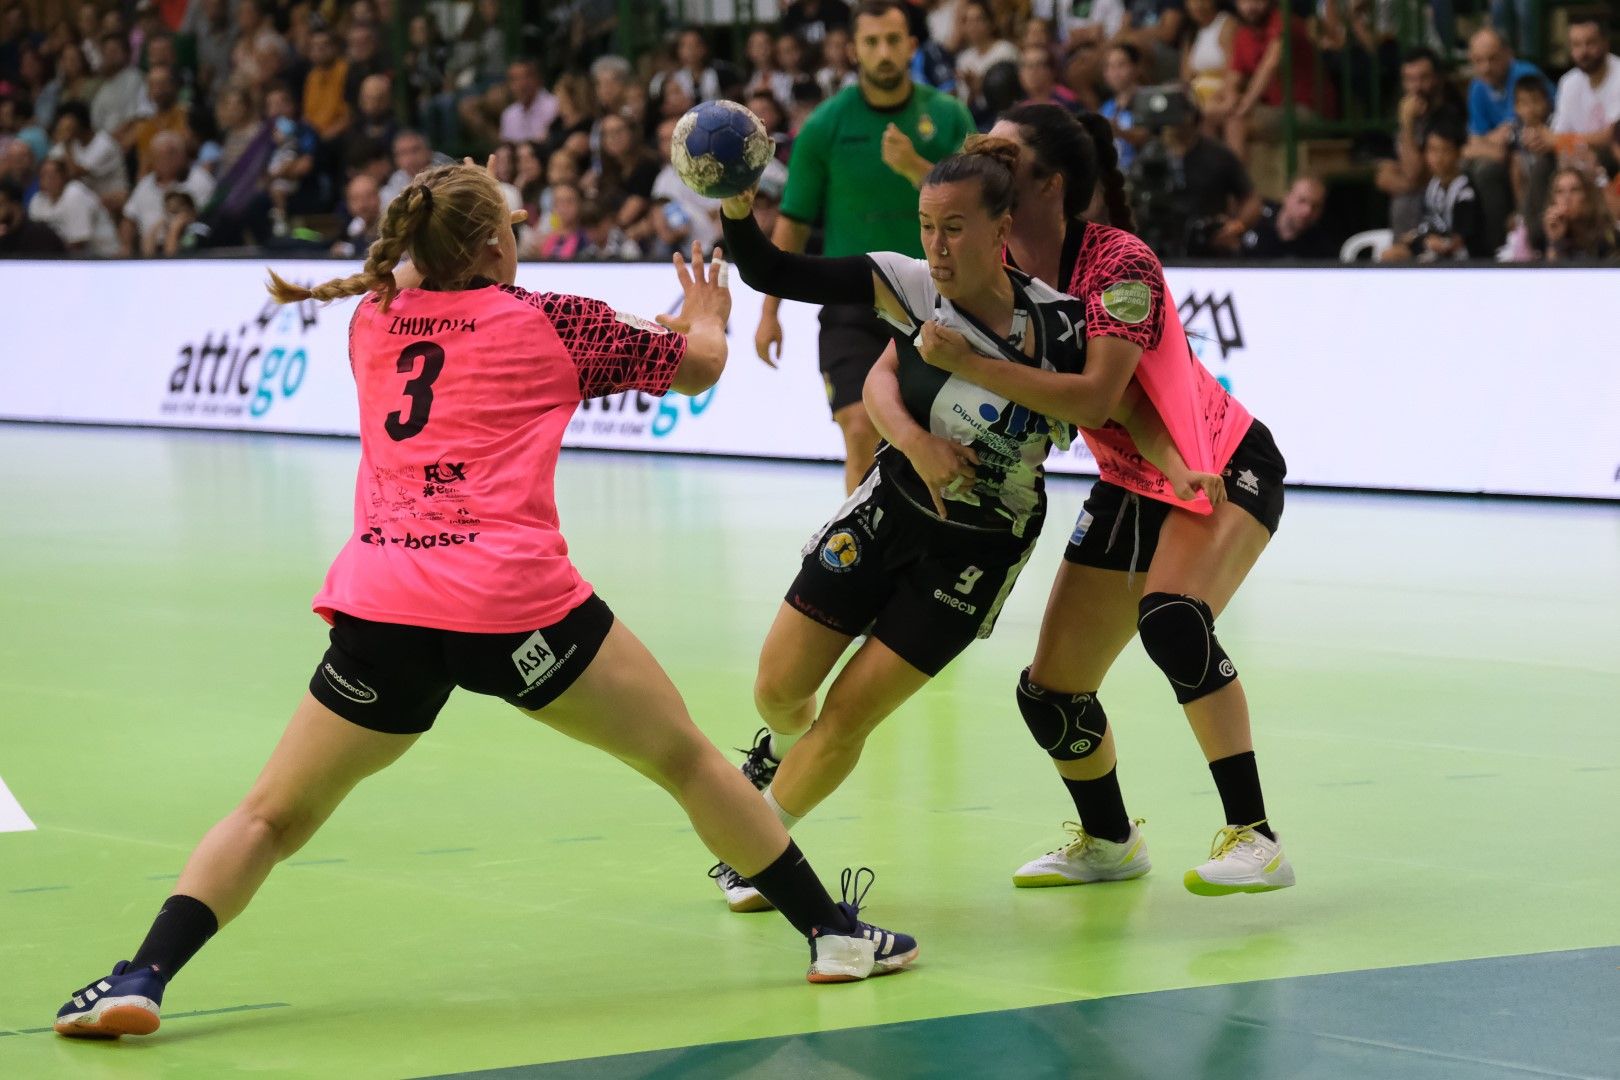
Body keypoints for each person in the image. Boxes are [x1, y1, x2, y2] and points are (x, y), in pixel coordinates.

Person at [51, 160, 917, 1041]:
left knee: (269, 815)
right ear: (492, 242)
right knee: (687, 759)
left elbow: (432, 271)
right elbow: (699, 369)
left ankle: (143, 976)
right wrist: (704, 318)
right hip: (515, 607)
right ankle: (834, 936)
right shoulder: (548, 320)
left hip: (381, 610)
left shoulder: (372, 314)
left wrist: (474, 205)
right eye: (508, 222)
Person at [707, 136, 1225, 912]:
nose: (937, 247)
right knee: (780, 691)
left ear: (1000, 229)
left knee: (850, 714)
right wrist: (739, 208)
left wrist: (1180, 461)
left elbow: (1121, 408)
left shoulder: (1059, 327)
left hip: (978, 550)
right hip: (888, 511)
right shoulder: (909, 287)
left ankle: (764, 851)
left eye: (954, 228)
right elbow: (777, 273)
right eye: (926, 226)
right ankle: (777, 750)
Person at [966, 103, 1295, 896]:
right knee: (1048, 694)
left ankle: (1256, 836)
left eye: (1003, 154)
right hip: (1128, 480)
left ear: (1050, 182)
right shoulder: (1002, 264)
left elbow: (1094, 397)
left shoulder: (1121, 264)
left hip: (1214, 461)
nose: (983, 157)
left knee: (1173, 620)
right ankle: (1110, 841)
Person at [756, 0, 977, 494]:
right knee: (859, 428)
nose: (883, 52)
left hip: (935, 304)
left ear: (912, 47)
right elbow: (792, 224)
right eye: (872, 42)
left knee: (941, 442)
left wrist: (916, 169)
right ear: (853, 50)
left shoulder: (947, 115)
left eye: (893, 41)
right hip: (851, 303)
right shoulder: (824, 127)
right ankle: (853, 557)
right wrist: (769, 312)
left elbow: (980, 211)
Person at [1238, 174, 1337, 258]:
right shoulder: (1256, 220)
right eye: (1301, 201)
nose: (1307, 211)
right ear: (1286, 197)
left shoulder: (1322, 248)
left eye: (1315, 206)